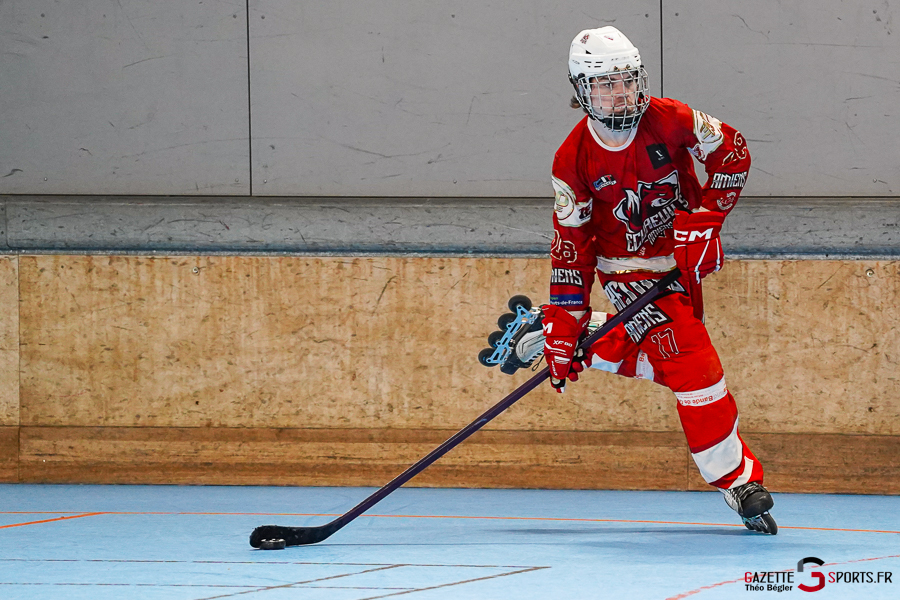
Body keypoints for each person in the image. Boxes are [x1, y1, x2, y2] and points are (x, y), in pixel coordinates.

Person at [539, 26, 776, 534]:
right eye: (604, 84)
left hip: (680, 266)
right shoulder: (572, 158)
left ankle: (586, 340)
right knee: (694, 366)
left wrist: (710, 214)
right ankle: (736, 480)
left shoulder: (670, 118)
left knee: (672, 364)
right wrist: (565, 312)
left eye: (625, 80)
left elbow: (733, 151)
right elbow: (571, 247)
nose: (618, 92)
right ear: (582, 90)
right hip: (630, 274)